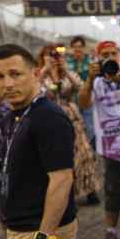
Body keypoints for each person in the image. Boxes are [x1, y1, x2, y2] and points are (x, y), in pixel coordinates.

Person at [0, 44, 77, 239]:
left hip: (37, 231)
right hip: (24, 228)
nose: (7, 83)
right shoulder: (15, 114)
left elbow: (61, 181)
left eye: (15, 74)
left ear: (36, 74)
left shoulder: (48, 118)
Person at [79, 40, 120, 239]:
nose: (110, 57)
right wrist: (89, 79)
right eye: (105, 54)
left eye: (113, 53)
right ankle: (111, 231)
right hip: (112, 147)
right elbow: (84, 103)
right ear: (98, 58)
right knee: (112, 193)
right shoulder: (95, 80)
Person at [38, 44, 100, 201]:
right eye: (49, 55)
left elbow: (80, 87)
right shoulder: (39, 75)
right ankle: (66, 192)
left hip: (71, 117)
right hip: (48, 119)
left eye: (55, 55)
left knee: (83, 153)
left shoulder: (67, 74)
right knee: (59, 156)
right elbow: (34, 90)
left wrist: (64, 70)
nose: (53, 59)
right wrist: (45, 70)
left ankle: (89, 188)